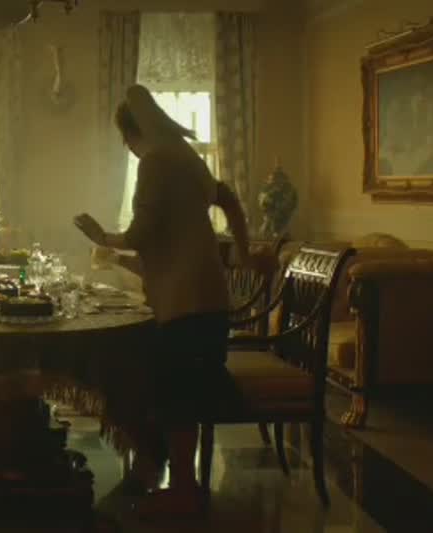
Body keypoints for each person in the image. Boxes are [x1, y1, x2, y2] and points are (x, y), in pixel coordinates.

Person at [73, 85, 274, 517]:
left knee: (178, 392)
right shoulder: (187, 158)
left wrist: (101, 236)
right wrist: (242, 252)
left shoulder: (156, 161)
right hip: (206, 297)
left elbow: (141, 234)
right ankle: (164, 471)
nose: (127, 147)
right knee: (178, 386)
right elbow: (226, 200)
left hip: (186, 303)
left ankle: (182, 489)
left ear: (132, 133)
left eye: (125, 139)